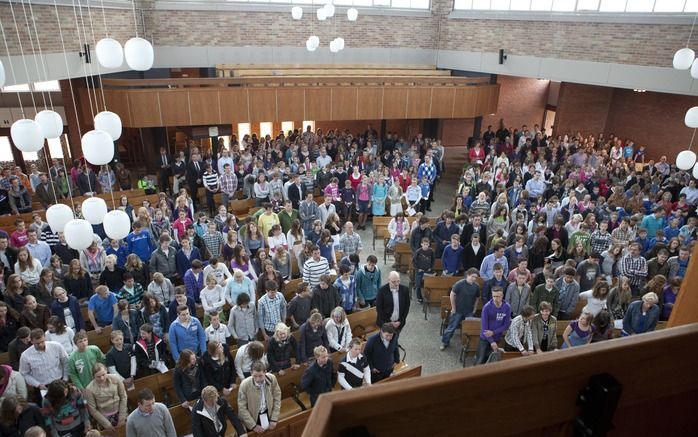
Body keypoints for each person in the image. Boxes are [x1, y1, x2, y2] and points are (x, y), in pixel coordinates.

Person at [19, 328, 69, 397]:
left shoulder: (56, 346)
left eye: (42, 341)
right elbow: (24, 373)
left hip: (60, 382)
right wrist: (38, 384)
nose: (40, 345)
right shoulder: (25, 356)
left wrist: (65, 378)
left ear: (44, 338)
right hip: (42, 387)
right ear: (31, 341)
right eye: (37, 343)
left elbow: (66, 362)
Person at [440, 268, 480, 350]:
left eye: (475, 277)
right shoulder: (460, 284)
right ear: (468, 275)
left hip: (469, 311)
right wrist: (453, 308)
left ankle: (467, 345)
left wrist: (475, 308)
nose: (474, 279)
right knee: (451, 327)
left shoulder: (476, 286)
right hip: (458, 310)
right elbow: (452, 294)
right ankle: (445, 342)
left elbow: (477, 298)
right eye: (472, 276)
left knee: (469, 328)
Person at [237, 361, 281, 434]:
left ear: (265, 372)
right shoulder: (244, 385)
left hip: (268, 413)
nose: (258, 379)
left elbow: (277, 398)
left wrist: (274, 418)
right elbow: (242, 408)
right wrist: (253, 425)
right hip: (252, 417)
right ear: (251, 373)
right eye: (255, 376)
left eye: (260, 376)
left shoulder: (272, 378)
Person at [84, 363, 128, 431]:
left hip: (120, 411)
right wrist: (106, 424)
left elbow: (123, 396)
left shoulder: (116, 378)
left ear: (106, 371)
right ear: (93, 376)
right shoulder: (89, 389)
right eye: (98, 377)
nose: (102, 378)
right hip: (104, 417)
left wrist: (122, 416)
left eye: (103, 374)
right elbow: (93, 410)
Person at [474, 287, 511, 365]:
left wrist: (494, 332)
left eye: (497, 296)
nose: (495, 298)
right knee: (480, 359)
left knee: (491, 360)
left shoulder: (507, 307)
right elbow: (484, 327)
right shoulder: (487, 307)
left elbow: (506, 325)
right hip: (485, 339)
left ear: (502, 296)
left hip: (497, 337)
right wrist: (491, 341)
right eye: (493, 296)